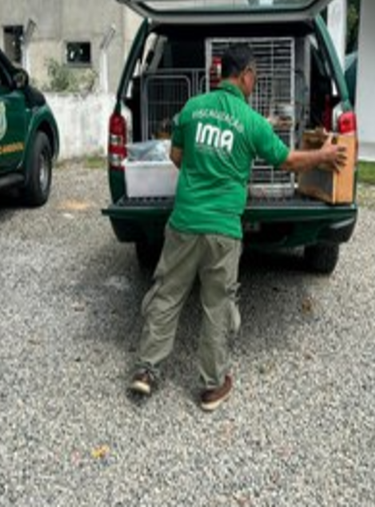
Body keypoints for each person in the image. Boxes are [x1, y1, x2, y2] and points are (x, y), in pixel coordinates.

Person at [128, 42, 348, 411]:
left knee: (167, 294)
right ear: (245, 75)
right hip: (223, 230)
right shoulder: (251, 122)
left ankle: (146, 372)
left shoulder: (193, 109)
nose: (254, 83)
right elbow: (287, 161)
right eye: (255, 77)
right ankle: (212, 386)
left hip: (183, 222)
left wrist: (202, 175)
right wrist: (324, 155)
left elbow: (177, 155)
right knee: (217, 305)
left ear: (219, 74)